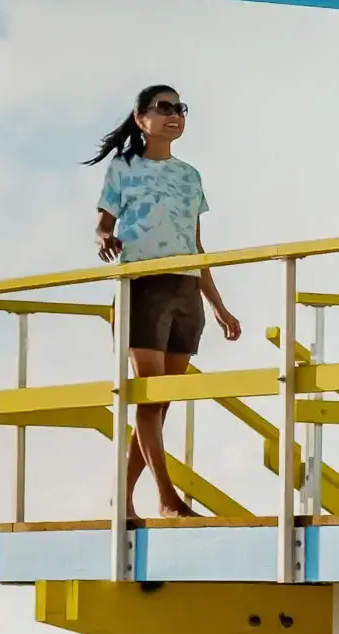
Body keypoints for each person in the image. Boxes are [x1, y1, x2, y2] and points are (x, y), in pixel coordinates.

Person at [88, 84, 241, 518]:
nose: (175, 115)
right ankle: (168, 499)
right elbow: (102, 224)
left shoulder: (190, 176)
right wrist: (104, 240)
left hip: (186, 291)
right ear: (141, 119)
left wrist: (218, 305)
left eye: (180, 108)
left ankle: (124, 497)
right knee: (150, 400)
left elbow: (195, 243)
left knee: (161, 403)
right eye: (164, 107)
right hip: (142, 286)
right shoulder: (124, 168)